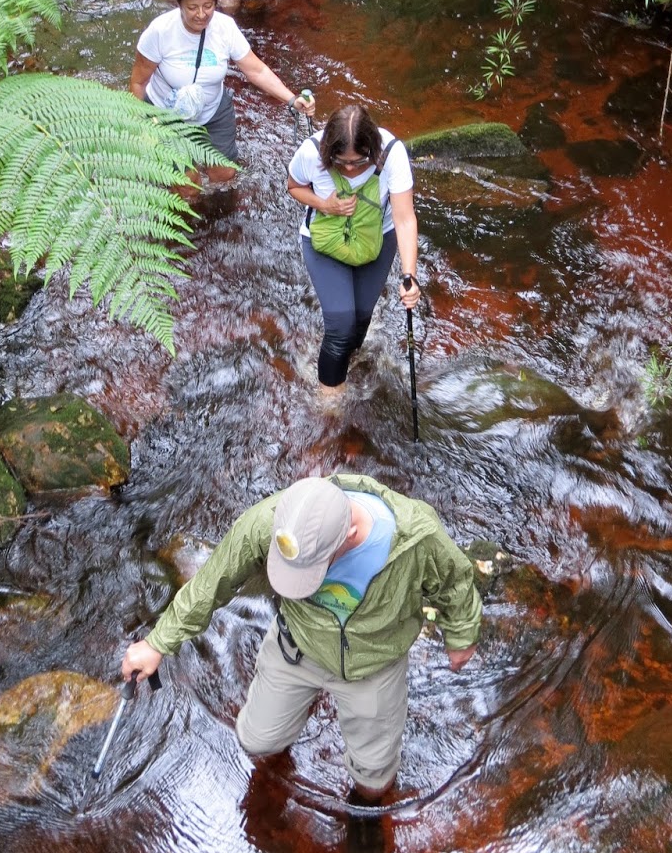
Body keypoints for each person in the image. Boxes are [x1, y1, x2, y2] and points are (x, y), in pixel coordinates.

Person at [122, 472, 482, 799]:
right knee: (256, 741)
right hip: (297, 646)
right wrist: (158, 643)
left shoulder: (417, 539)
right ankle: (304, 701)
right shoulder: (268, 521)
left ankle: (369, 820)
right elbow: (211, 583)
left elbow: (456, 583)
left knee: (373, 781)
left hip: (373, 663)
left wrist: (462, 635)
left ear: (350, 534)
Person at [129, 0, 314, 182]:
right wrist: (141, 126)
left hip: (213, 111)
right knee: (187, 185)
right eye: (192, 7)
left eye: (208, 6)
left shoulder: (225, 28)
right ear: (179, 4)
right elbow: (138, 83)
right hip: (167, 114)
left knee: (225, 174)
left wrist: (292, 99)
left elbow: (256, 70)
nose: (201, 14)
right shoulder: (160, 31)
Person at [287, 104, 420, 394]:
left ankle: (349, 362)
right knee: (340, 327)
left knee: (360, 319)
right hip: (324, 241)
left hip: (377, 238)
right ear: (328, 151)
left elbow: (404, 218)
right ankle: (330, 403)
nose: (349, 168)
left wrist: (409, 276)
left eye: (359, 161)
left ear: (372, 148)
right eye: (340, 161)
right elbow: (294, 186)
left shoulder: (392, 153)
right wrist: (325, 205)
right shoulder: (311, 152)